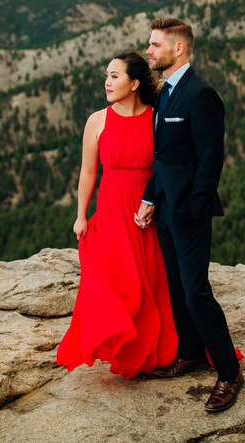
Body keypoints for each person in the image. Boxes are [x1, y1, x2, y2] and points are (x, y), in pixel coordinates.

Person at [135, 17, 243, 413]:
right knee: (177, 285)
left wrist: (194, 210)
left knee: (197, 291)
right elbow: (162, 156)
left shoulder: (201, 94)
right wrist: (151, 199)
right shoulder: (165, 93)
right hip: (163, 208)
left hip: (189, 213)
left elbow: (211, 158)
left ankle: (229, 373)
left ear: (178, 48)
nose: (149, 51)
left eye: (155, 44)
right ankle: (192, 353)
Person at [57, 51, 177, 379]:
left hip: (146, 212)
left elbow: (167, 170)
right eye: (106, 76)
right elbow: (87, 173)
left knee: (149, 285)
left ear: (135, 83)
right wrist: (81, 215)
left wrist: (153, 203)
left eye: (114, 76)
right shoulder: (97, 120)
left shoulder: (157, 118)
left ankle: (150, 350)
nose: (107, 83)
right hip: (110, 211)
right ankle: (122, 347)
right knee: (118, 284)